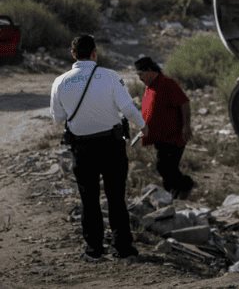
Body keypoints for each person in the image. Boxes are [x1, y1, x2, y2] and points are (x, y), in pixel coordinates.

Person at [50, 35, 147, 262]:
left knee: (89, 199)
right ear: (95, 53)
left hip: (82, 148)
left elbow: (58, 118)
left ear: (73, 54)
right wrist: (144, 126)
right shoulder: (110, 76)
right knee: (116, 197)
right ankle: (123, 248)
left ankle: (94, 249)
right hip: (111, 145)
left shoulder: (60, 81)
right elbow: (128, 108)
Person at [134, 56, 194, 199]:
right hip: (160, 137)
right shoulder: (150, 87)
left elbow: (184, 103)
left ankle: (183, 187)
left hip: (174, 136)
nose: (140, 78)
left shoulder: (167, 84)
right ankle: (175, 193)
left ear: (149, 70)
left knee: (166, 167)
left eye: (140, 74)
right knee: (164, 167)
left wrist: (186, 126)